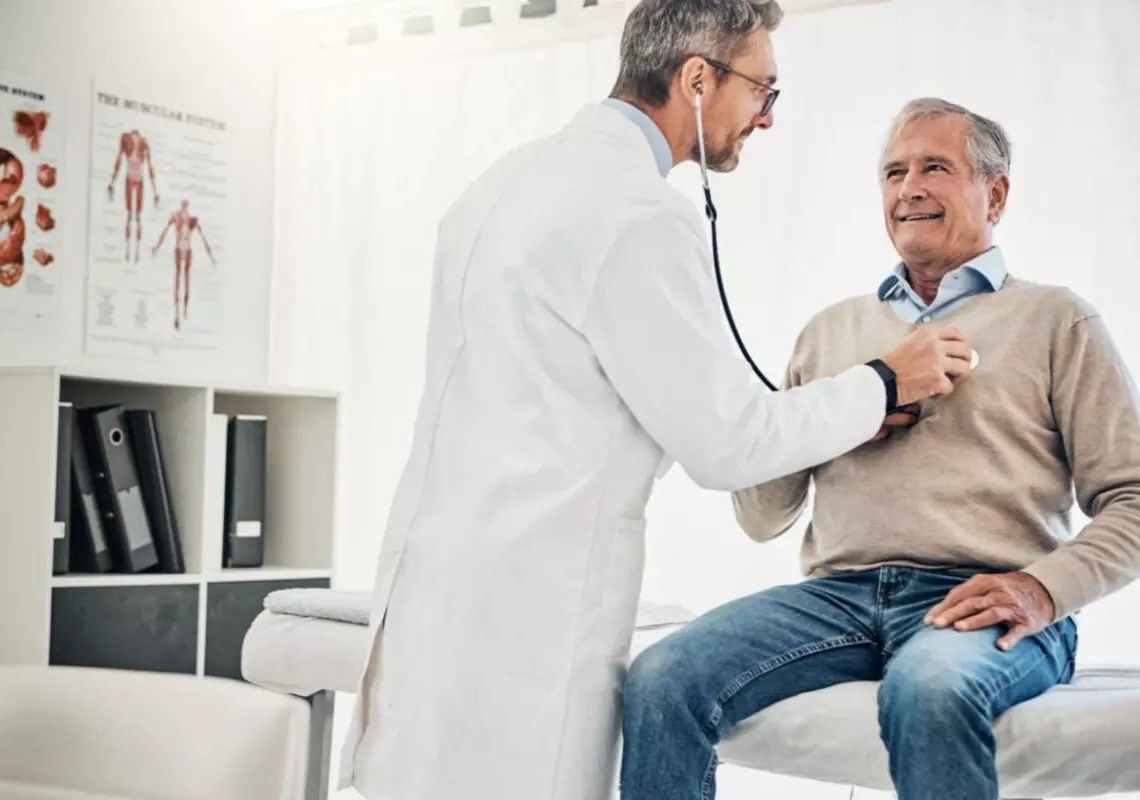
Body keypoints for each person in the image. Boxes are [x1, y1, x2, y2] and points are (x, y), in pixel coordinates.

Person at [336, 4, 975, 800]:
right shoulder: (637, 215)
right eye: (762, 92)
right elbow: (728, 444)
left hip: (436, 584)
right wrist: (883, 381)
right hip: (530, 608)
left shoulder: (498, 184)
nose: (766, 120)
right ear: (698, 80)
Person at [620, 97, 1140, 800]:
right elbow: (761, 516)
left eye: (935, 167)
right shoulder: (831, 333)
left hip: (976, 597)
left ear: (996, 192)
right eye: (894, 172)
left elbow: (1132, 501)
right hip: (836, 598)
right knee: (659, 676)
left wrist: (1042, 591)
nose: (909, 188)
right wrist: (842, 410)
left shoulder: (1057, 318)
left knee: (930, 688)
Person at [153, 200, 215, 331]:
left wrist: (210, 255)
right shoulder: (176, 217)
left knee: (186, 281)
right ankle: (177, 316)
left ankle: (184, 311)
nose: (184, 208)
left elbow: (203, 238)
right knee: (178, 281)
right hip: (179, 249)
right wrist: (157, 247)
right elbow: (165, 231)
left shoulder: (192, 220)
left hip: (187, 251)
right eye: (183, 206)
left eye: (186, 206)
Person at [107, 129, 159, 263]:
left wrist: (155, 191)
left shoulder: (144, 144)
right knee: (131, 216)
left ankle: (135, 253)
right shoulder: (126, 140)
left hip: (138, 180)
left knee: (136, 217)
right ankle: (128, 252)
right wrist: (112, 182)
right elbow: (118, 160)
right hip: (130, 180)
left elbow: (150, 167)